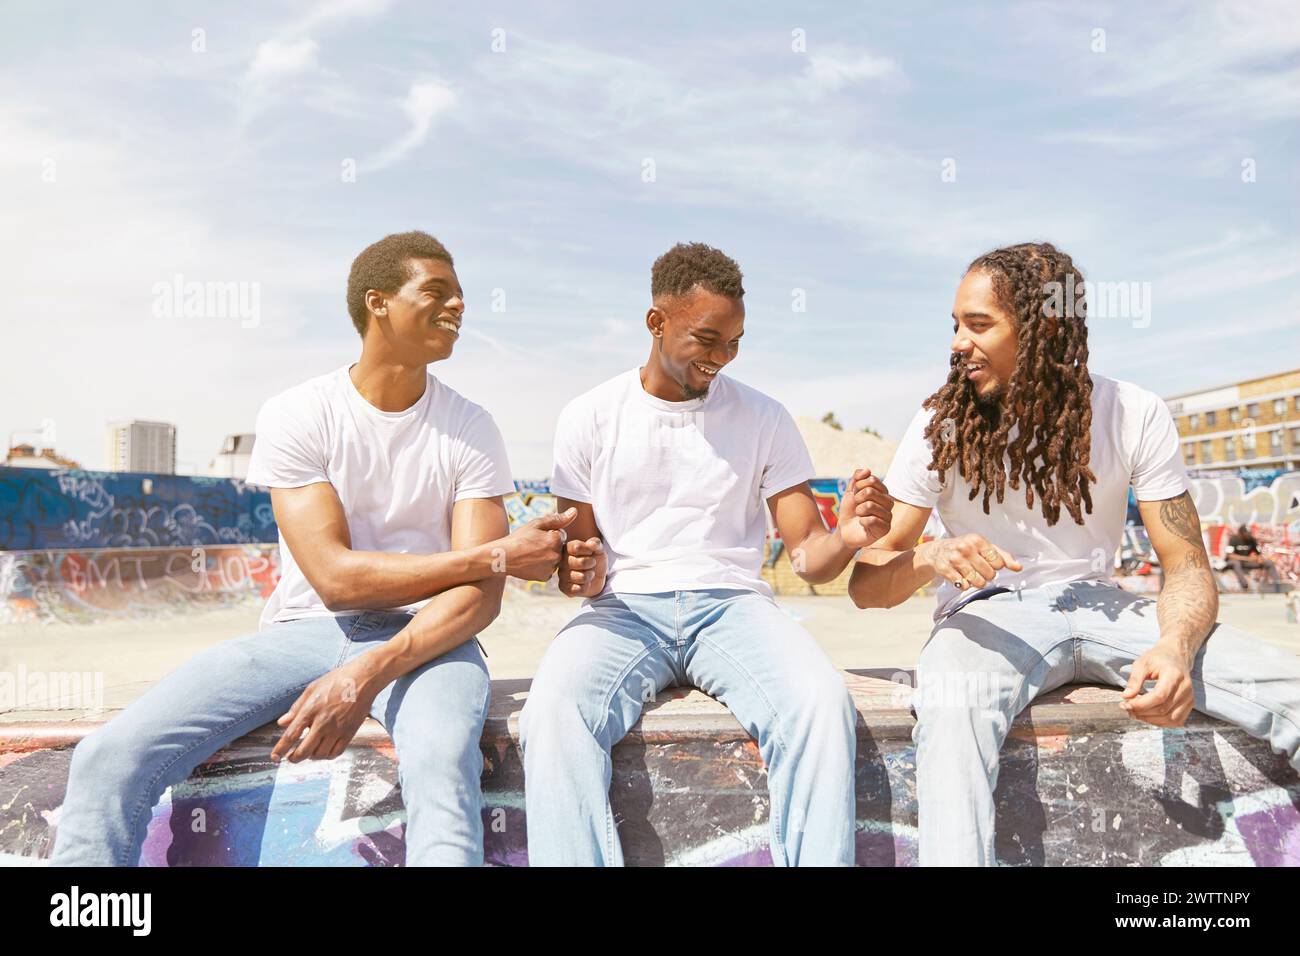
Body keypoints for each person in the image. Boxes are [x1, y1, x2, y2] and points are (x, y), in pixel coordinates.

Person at [51, 231, 573, 866]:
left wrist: (363, 673)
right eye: (437, 290)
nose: (459, 304)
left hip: (429, 637)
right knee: (110, 756)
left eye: (461, 293)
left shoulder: (470, 426)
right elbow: (335, 579)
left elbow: (477, 600)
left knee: (440, 766)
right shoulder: (299, 413)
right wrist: (497, 555)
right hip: (303, 628)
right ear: (377, 303)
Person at [847, 241, 1300, 866]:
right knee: (950, 713)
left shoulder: (1134, 412)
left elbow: (1188, 564)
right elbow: (866, 586)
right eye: (955, 325)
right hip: (986, 613)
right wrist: (929, 558)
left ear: (1039, 330)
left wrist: (1175, 647)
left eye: (979, 325)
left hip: (1105, 608)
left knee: (1289, 682)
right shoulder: (939, 425)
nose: (957, 342)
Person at [519, 242, 893, 866]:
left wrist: (849, 537)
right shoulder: (588, 417)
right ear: (656, 322)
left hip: (732, 609)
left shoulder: (765, 418)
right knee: (553, 714)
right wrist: (574, 570)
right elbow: (580, 571)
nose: (721, 358)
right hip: (622, 611)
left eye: (735, 342)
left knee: (820, 704)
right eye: (706, 339)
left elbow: (808, 557)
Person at [1226, 523, 1283, 592]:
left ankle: (1277, 584)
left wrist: (1260, 559)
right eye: (1246, 534)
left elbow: (1258, 553)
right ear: (1241, 534)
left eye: (1249, 534)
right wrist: (1247, 558)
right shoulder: (1233, 539)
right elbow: (1229, 555)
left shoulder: (1251, 540)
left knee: (1268, 562)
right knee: (1236, 563)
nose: (1247, 536)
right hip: (1232, 562)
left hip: (1246, 562)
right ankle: (1244, 585)